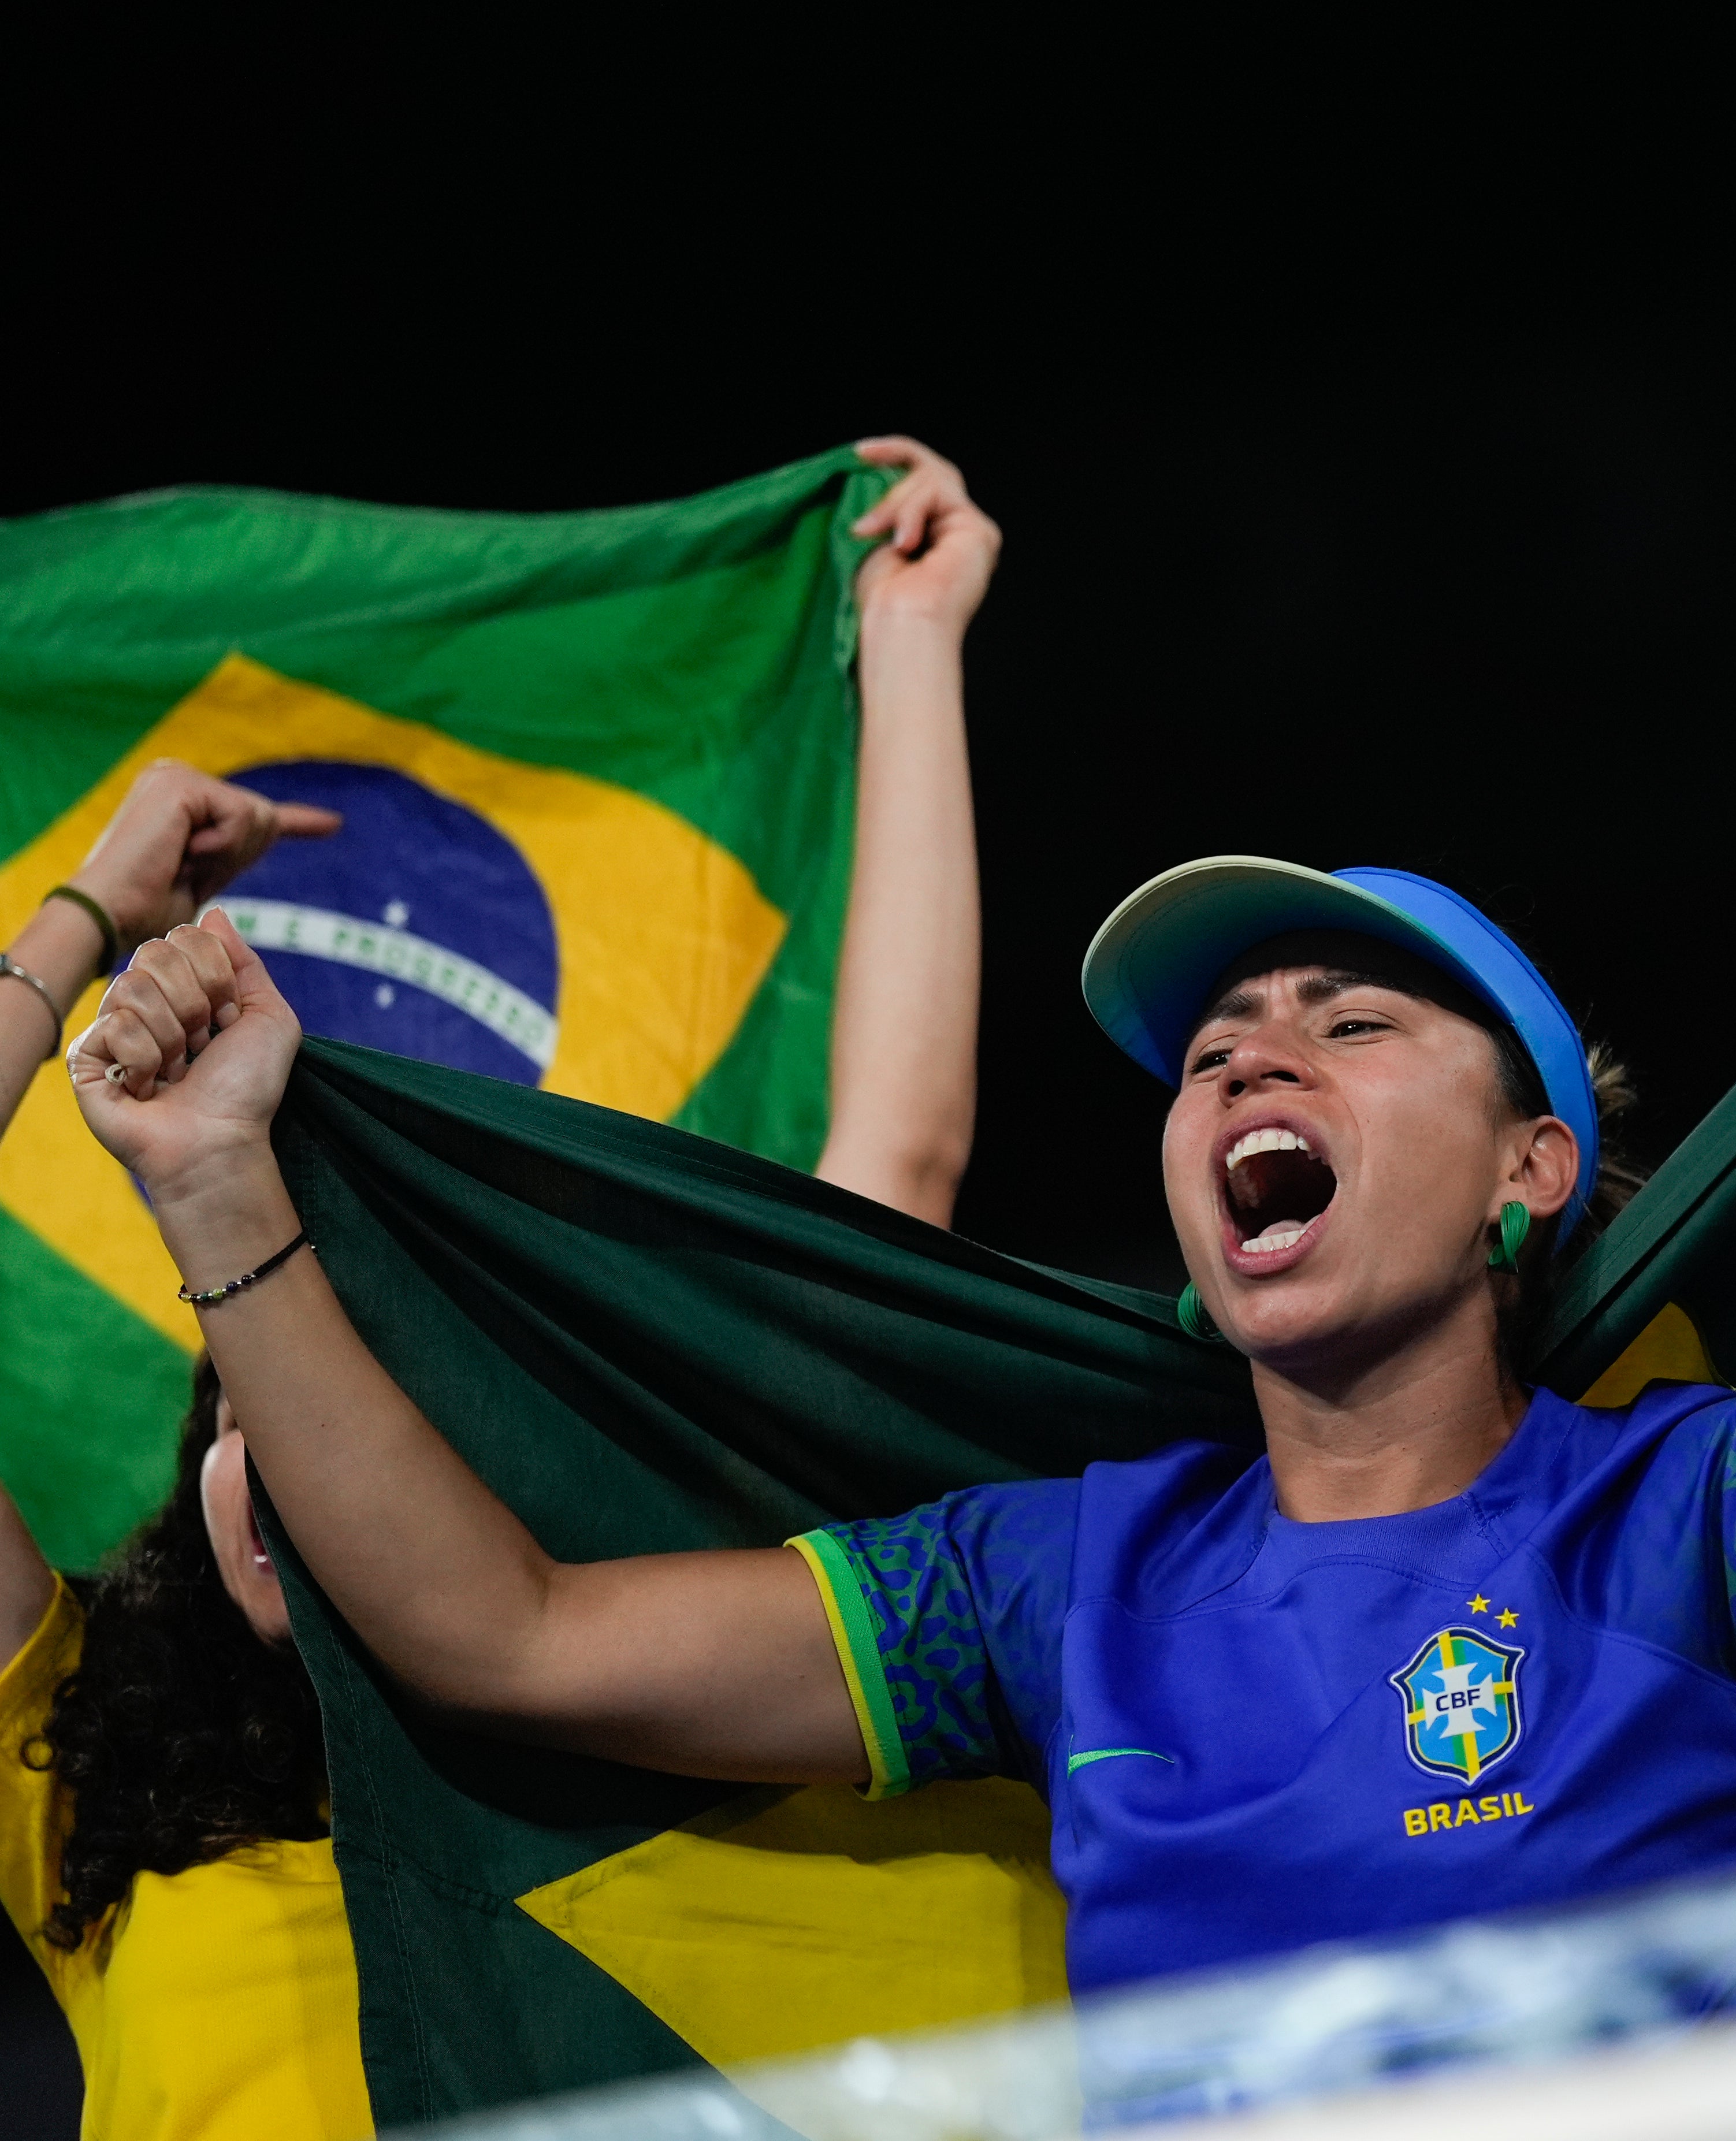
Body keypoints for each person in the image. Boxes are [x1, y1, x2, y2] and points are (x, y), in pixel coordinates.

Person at [65, 642, 1736, 1997]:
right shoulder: (1065, 1583)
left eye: (1347, 1024)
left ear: (1531, 1173)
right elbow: (499, 1640)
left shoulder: (1685, 1511)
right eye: (1212, 1057)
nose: (1257, 1069)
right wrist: (223, 1185)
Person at [0, 433, 999, 2138]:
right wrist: (90, 906)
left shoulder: (710, 1739)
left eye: (370, 1398)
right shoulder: (92, 1812)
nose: (297, 1455)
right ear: (198, 1492)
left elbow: (885, 1189)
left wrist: (905, 649)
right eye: (248, 1410)